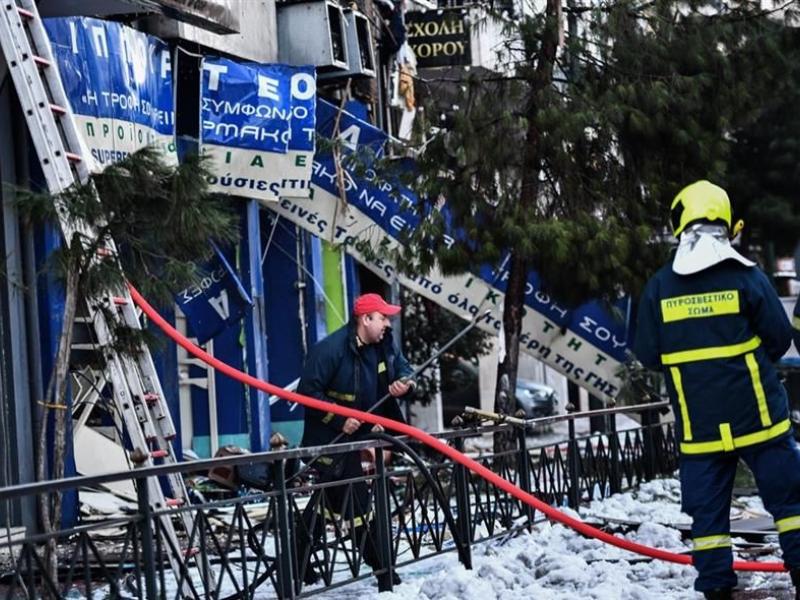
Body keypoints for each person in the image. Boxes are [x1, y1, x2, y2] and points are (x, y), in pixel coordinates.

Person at [633, 180, 800, 600]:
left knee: (708, 521)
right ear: (727, 223)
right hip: (760, 420)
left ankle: (716, 589)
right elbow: (780, 338)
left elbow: (647, 353)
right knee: (791, 506)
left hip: (700, 428)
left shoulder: (659, 287)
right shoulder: (747, 277)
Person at [295, 292, 414, 592]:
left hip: (357, 438)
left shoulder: (382, 345)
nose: (388, 324)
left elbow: (403, 368)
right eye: (383, 318)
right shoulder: (330, 350)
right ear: (366, 319)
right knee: (357, 505)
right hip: (330, 440)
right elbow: (307, 394)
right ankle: (384, 572)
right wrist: (339, 420)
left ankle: (294, 564)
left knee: (326, 505)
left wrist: (405, 384)